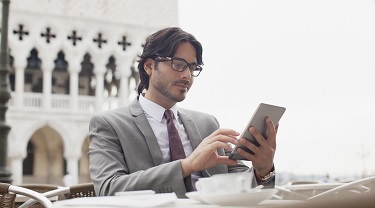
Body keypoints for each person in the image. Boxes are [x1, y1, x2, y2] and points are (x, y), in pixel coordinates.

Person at [88, 27, 278, 198]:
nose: (187, 75)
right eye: (178, 64)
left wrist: (263, 169)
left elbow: (243, 185)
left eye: (192, 67)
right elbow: (108, 188)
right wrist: (187, 166)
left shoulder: (207, 124)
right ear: (149, 66)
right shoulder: (109, 124)